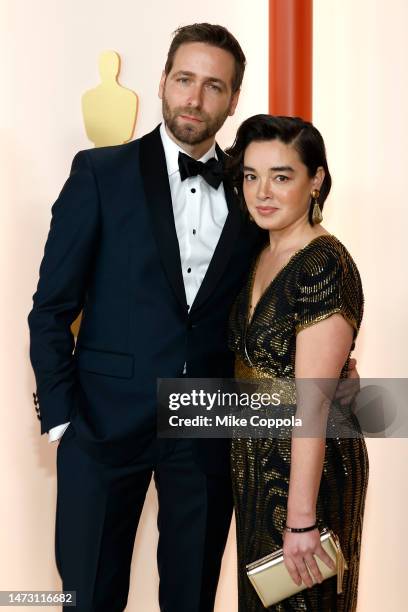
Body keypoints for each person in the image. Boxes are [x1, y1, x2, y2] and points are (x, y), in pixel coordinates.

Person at [27, 23, 359, 612]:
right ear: (163, 82)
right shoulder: (99, 174)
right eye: (184, 80)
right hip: (102, 429)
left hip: (207, 433)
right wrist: (61, 422)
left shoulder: (251, 187)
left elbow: (282, 297)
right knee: (86, 598)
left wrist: (327, 382)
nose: (194, 99)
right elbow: (51, 309)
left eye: (213, 87)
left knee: (192, 599)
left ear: (233, 100)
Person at [227, 115, 369, 612]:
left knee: (302, 601)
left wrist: (302, 519)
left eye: (281, 176)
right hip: (255, 465)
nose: (262, 191)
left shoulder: (323, 263)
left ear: (316, 180)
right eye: (251, 175)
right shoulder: (263, 252)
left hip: (307, 474)